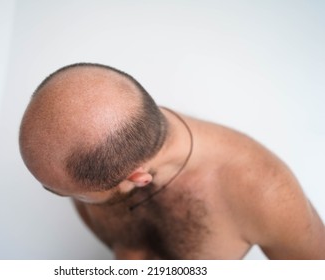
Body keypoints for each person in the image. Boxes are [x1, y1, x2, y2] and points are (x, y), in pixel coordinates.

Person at [19, 63, 325, 259]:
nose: (62, 197)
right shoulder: (83, 150)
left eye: (65, 193)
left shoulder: (264, 192)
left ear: (136, 178)